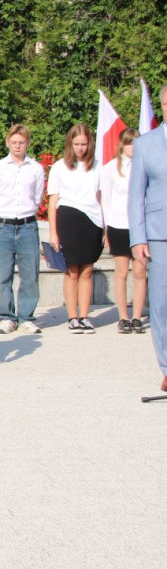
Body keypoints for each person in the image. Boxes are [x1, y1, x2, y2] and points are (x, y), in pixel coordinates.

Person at [0, 124, 46, 334]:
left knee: (30, 274)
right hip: (3, 227)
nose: (17, 146)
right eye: (14, 142)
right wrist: (0, 219)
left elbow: (37, 198)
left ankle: (26, 316)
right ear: (7, 143)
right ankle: (6, 317)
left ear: (27, 143)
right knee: (3, 274)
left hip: (28, 226)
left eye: (21, 142)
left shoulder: (36, 169)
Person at [47, 123, 103, 333]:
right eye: (76, 144)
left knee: (87, 270)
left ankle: (85, 316)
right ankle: (72, 316)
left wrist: (105, 227)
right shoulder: (60, 167)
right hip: (68, 219)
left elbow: (101, 197)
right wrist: (53, 232)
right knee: (71, 271)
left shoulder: (98, 166)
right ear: (70, 143)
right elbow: (53, 201)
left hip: (93, 220)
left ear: (90, 144)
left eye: (84, 144)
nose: (80, 148)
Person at [129, 86, 167, 393]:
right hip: (158, 234)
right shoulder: (145, 144)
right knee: (162, 304)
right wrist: (137, 238)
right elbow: (135, 196)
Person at [100, 128, 146, 334]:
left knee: (139, 271)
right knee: (121, 272)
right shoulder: (111, 168)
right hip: (118, 225)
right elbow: (106, 200)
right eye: (128, 143)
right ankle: (123, 317)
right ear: (121, 144)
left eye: (135, 143)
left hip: (140, 226)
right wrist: (106, 229)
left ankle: (136, 316)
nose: (132, 147)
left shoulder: (145, 165)